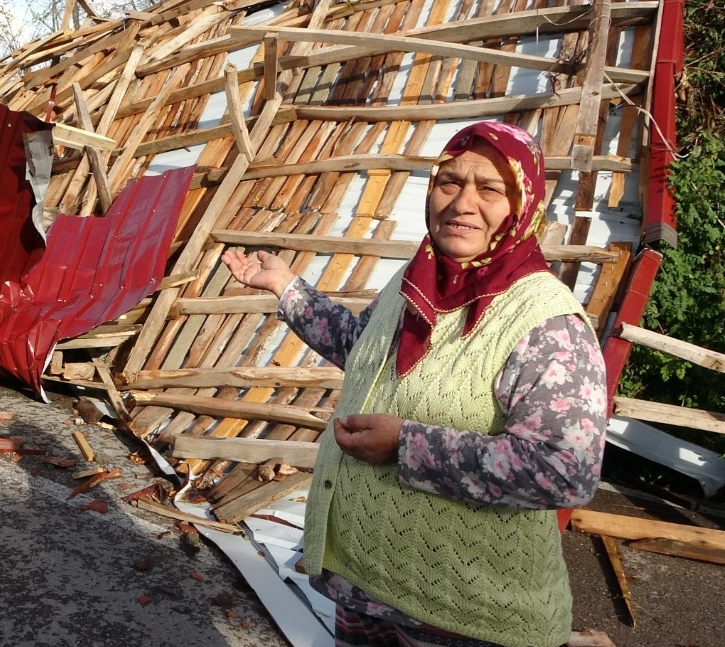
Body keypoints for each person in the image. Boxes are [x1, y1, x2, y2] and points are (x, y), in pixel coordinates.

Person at [223, 121, 607, 647]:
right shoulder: (417, 281)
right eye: (449, 182)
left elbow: (564, 472)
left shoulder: (546, 322)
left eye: (490, 188)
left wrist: (407, 446)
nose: (461, 203)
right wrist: (287, 288)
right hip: (365, 585)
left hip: (464, 614)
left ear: (523, 205)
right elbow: (364, 352)